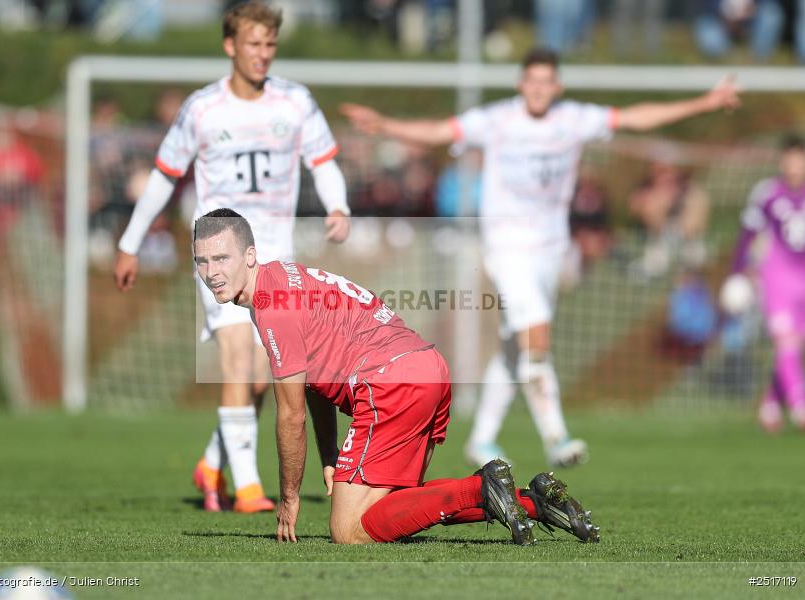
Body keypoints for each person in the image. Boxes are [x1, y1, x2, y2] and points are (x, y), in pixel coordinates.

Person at [341, 47, 741, 468]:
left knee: (517, 349)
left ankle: (481, 439)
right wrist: (384, 125)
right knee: (537, 335)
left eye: (545, 82)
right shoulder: (497, 120)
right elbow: (440, 131)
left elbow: (636, 118)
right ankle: (557, 437)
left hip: (551, 250)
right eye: (531, 81)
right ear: (520, 84)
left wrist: (705, 102)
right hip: (506, 247)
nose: (537, 89)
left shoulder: (573, 119)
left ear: (557, 86)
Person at [192, 207, 600, 545]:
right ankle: (536, 502)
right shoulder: (284, 276)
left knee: (349, 531)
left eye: (221, 258)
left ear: (249, 255)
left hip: (389, 382)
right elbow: (315, 379)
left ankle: (482, 486)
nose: (211, 272)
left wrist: (289, 497)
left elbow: (290, 416)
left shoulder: (271, 306)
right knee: (400, 511)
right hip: (428, 369)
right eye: (202, 260)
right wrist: (330, 455)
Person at [114, 2, 351, 513]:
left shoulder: (295, 102)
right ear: (230, 46)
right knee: (238, 359)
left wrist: (338, 205)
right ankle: (247, 488)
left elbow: (324, 160)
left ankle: (213, 463)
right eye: (253, 44)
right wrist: (130, 243)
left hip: (273, 258)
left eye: (270, 45)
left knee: (267, 375)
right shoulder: (203, 108)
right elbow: (164, 174)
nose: (262, 54)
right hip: (219, 252)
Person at [726, 134, 805, 433]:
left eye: (799, 158)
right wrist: (736, 272)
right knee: (786, 341)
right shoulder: (768, 192)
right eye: (789, 158)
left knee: (796, 346)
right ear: (782, 161)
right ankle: (802, 409)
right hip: (776, 277)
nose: (794, 165)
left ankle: (770, 404)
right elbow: (748, 232)